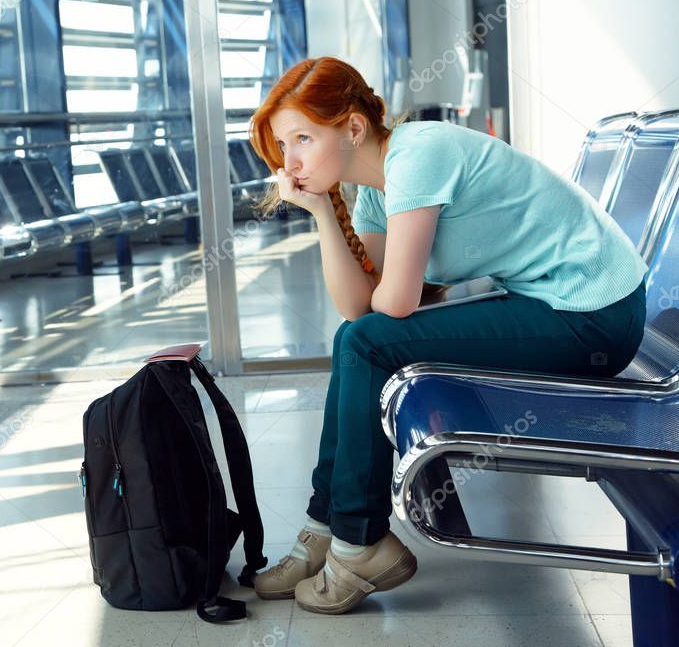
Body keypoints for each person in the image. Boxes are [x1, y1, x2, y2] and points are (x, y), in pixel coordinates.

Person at [246, 56, 648, 615]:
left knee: (365, 344)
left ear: (353, 128)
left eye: (301, 139)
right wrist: (318, 211)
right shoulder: (373, 189)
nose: (289, 163)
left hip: (595, 314)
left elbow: (396, 301)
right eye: (282, 147)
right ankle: (325, 527)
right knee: (354, 339)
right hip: (547, 302)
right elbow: (358, 307)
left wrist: (376, 292)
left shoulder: (418, 154)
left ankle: (356, 541)